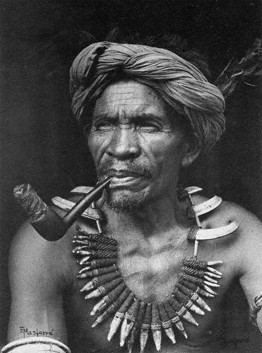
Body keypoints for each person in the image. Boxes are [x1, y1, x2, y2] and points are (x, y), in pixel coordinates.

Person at [3, 37, 262, 353]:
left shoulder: (236, 233)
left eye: (147, 125)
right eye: (104, 125)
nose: (120, 148)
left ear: (190, 147)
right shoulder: (50, 245)